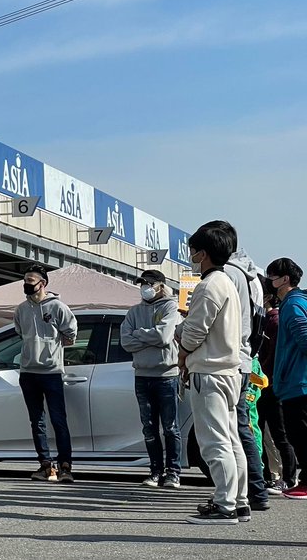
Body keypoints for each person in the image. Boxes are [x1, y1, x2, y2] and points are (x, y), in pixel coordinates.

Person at [177, 224, 245, 524]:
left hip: (209, 371)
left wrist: (180, 337)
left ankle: (224, 505)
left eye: (193, 250)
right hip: (229, 370)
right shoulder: (228, 282)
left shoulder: (208, 285)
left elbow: (193, 333)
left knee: (214, 442)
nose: (191, 255)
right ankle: (239, 501)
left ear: (202, 253)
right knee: (231, 440)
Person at [205, 221, 270, 511]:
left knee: (228, 435)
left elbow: (209, 323)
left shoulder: (224, 275)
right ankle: (247, 495)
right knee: (240, 431)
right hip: (243, 358)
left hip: (226, 361)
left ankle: (237, 498)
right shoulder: (251, 275)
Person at [14, 264, 77, 483]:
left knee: (59, 419)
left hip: (52, 372)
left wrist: (53, 347)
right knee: (37, 421)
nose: (27, 285)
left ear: (43, 284)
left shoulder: (57, 307)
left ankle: (65, 466)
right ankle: (45, 464)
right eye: (25, 280)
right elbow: (20, 332)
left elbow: (71, 333)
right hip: (28, 371)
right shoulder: (21, 309)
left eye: (31, 281)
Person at [120, 269, 183, 488]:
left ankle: (173, 471)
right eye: (142, 284)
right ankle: (155, 471)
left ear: (160, 286)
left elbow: (164, 336)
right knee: (148, 427)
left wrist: (139, 334)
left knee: (170, 427)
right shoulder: (134, 311)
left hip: (167, 375)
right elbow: (125, 341)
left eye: (148, 284)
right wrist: (150, 336)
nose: (144, 288)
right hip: (142, 375)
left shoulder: (170, 307)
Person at [266, 257, 307, 500]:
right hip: (295, 382)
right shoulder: (297, 302)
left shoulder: (292, 305)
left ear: (284, 279)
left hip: (297, 383)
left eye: (272, 276)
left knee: (298, 434)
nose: (269, 281)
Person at [257, 277, 297, 493]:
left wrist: (264, 374)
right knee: (263, 432)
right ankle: (271, 477)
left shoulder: (275, 320)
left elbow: (272, 356)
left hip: (271, 384)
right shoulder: (266, 319)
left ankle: (289, 479)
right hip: (266, 384)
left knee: (279, 434)